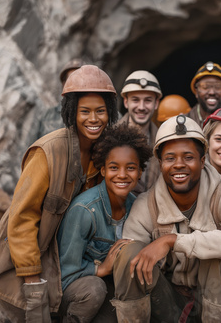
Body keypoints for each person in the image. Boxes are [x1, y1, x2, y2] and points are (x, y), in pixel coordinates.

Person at [0, 65, 119, 322]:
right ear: (72, 112)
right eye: (85, 111)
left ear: (110, 113)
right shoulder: (48, 152)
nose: (93, 119)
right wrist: (33, 285)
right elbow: (22, 219)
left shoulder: (102, 154)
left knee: (106, 294)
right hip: (27, 268)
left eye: (100, 111)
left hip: (67, 263)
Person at [110, 115, 221, 322]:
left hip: (214, 300)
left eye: (188, 157)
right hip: (166, 300)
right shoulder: (147, 204)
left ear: (203, 160)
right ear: (160, 163)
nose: (179, 165)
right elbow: (129, 260)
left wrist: (172, 240)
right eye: (170, 158)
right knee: (129, 253)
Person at [57, 123, 153, 322]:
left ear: (140, 172)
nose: (122, 175)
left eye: (131, 168)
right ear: (102, 170)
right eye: (114, 167)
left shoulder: (138, 207)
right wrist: (101, 269)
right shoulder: (84, 210)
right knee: (95, 289)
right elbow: (65, 274)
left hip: (112, 287)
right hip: (76, 292)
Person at [118, 70, 162, 195]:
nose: (141, 107)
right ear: (126, 102)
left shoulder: (163, 142)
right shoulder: (108, 138)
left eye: (148, 100)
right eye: (135, 100)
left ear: (156, 103)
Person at [39, 58, 86, 137]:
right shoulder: (47, 115)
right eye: (72, 80)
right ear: (64, 84)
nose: (77, 84)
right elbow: (31, 146)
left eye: (80, 80)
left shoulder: (97, 116)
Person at [187, 61, 221, 127]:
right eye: (205, 87)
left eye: (218, 87)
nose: (212, 92)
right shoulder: (183, 122)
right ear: (196, 91)